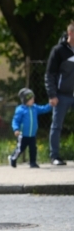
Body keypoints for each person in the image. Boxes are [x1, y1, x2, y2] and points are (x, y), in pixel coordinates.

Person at [44, 22, 74, 166]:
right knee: (57, 126)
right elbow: (49, 74)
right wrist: (52, 94)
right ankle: (54, 156)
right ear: (70, 33)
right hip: (62, 95)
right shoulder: (58, 51)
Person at [9, 88, 51, 168]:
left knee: (33, 149)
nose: (33, 100)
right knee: (20, 149)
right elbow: (15, 121)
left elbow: (43, 109)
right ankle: (13, 158)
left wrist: (50, 105)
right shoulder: (20, 110)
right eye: (31, 99)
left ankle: (33, 162)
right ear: (26, 100)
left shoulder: (35, 108)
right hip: (22, 135)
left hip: (32, 135)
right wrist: (16, 129)